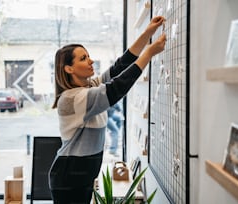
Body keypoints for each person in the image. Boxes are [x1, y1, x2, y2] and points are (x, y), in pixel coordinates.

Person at [48, 15, 166, 204]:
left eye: (88, 56)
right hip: (69, 176)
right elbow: (116, 88)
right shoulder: (71, 99)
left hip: (82, 174)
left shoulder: (88, 87)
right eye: (83, 58)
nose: (91, 61)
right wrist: (149, 53)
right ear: (69, 69)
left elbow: (121, 66)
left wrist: (148, 33)